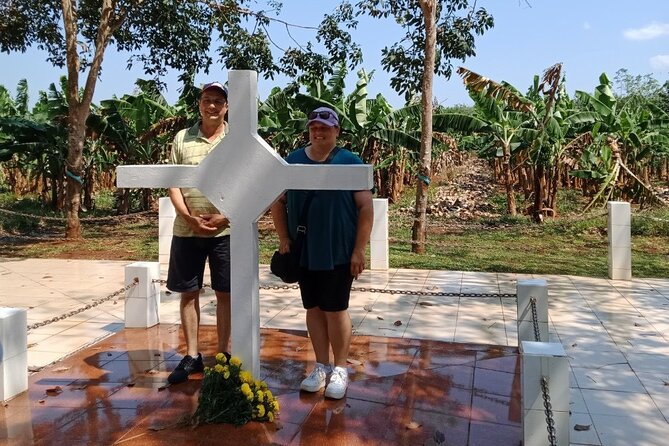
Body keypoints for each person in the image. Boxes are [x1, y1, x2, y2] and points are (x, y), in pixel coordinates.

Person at [270, 106, 374, 399]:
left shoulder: (351, 162)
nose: (319, 132)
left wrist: (359, 250)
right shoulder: (293, 161)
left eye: (325, 127)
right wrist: (284, 238)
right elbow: (276, 202)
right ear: (309, 130)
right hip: (305, 250)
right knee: (313, 309)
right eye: (314, 127)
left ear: (337, 131)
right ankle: (321, 366)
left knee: (336, 309)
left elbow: (366, 207)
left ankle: (340, 368)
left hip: (339, 251)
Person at [166, 81, 232, 384]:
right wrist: (187, 216)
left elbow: (247, 182)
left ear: (227, 106)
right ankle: (192, 355)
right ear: (199, 104)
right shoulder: (182, 138)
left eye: (219, 101)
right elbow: (173, 182)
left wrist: (225, 215)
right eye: (207, 100)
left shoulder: (236, 141)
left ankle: (223, 355)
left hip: (226, 231)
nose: (213, 106)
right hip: (186, 230)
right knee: (188, 293)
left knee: (225, 294)